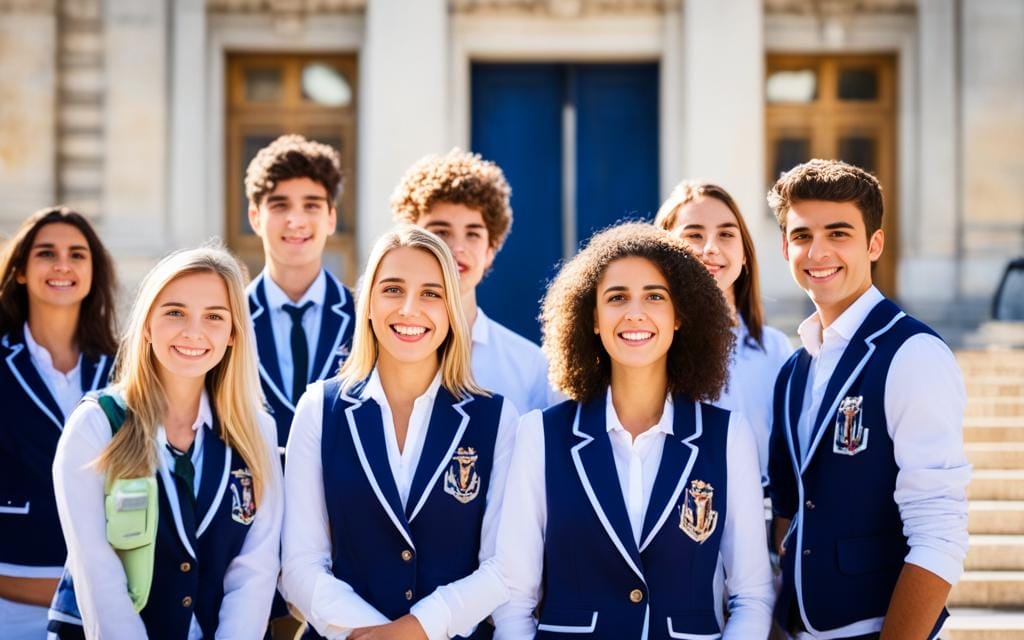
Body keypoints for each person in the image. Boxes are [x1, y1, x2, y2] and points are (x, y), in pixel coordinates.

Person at [493, 223, 773, 639]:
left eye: (655, 297)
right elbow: (514, 600)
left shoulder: (728, 437)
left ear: (679, 316)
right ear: (591, 318)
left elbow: (751, 596)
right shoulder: (541, 435)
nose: (635, 313)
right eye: (617, 297)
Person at [281, 225, 518, 640]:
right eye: (392, 289)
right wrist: (370, 632)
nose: (410, 309)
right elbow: (300, 563)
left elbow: (502, 568)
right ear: (368, 303)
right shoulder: (320, 408)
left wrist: (418, 629)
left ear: (451, 310)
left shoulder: (497, 419)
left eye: (431, 293)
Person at [766, 160, 970, 639]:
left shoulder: (913, 354)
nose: (818, 252)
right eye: (801, 236)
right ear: (784, 247)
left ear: (874, 244)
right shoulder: (795, 370)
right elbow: (791, 512)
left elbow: (940, 534)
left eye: (839, 234)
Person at [49, 246, 283, 638]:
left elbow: (254, 570)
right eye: (175, 312)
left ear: (232, 335)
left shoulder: (256, 430)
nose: (194, 331)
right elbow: (96, 569)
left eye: (214, 317)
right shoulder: (96, 425)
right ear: (146, 325)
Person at [0, 206, 118, 639]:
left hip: (103, 612)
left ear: (93, 272)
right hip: (9, 609)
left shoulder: (124, 370)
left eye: (77, 254)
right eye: (46, 253)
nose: (63, 264)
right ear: (21, 273)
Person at [391, 148, 558, 414]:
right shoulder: (376, 354)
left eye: (473, 234)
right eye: (441, 232)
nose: (457, 247)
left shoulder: (530, 367)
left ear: (490, 250)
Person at [655, 181, 792, 487]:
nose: (711, 248)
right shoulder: (647, 349)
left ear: (744, 254)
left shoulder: (777, 350)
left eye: (727, 234)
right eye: (694, 234)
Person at [245, 134, 356, 452]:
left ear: (331, 218)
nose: (296, 220)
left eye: (311, 205)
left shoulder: (366, 315)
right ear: (255, 217)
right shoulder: (229, 317)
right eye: (280, 205)